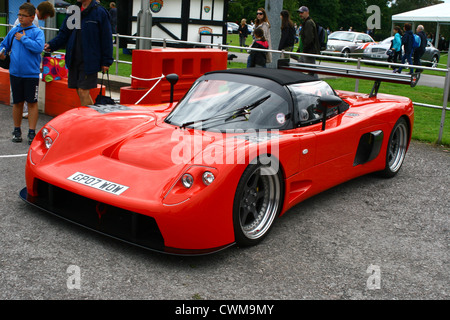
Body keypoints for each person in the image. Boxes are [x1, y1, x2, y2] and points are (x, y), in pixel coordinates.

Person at [44, 0, 113, 106]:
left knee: (83, 91)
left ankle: (89, 121)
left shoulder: (100, 12)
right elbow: (64, 33)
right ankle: (91, 117)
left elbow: (106, 38)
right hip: (73, 59)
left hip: (89, 60)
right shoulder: (74, 11)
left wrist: (106, 61)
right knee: (79, 90)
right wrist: (51, 45)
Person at [0, 3, 45, 144]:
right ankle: (17, 129)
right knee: (17, 103)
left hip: (31, 74)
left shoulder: (38, 32)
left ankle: (31, 131)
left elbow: (38, 48)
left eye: (23, 16)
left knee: (32, 103)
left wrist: (24, 39)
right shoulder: (14, 31)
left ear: (32, 17)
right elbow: (4, 44)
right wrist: (1, 51)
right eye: (19, 15)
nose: (20, 18)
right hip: (15, 73)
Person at [13, 1, 55, 119]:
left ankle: (23, 110)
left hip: (18, 61)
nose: (44, 19)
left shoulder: (28, 19)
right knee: (29, 94)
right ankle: (25, 111)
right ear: (44, 13)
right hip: (27, 62)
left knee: (18, 94)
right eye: (46, 16)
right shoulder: (33, 20)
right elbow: (34, 44)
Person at [295, 6, 320, 77]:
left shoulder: (309, 23)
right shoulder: (307, 22)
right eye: (299, 13)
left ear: (307, 12)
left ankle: (315, 82)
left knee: (311, 71)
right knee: (299, 68)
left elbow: (309, 38)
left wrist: (305, 49)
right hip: (306, 51)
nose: (300, 14)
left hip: (308, 51)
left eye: (302, 13)